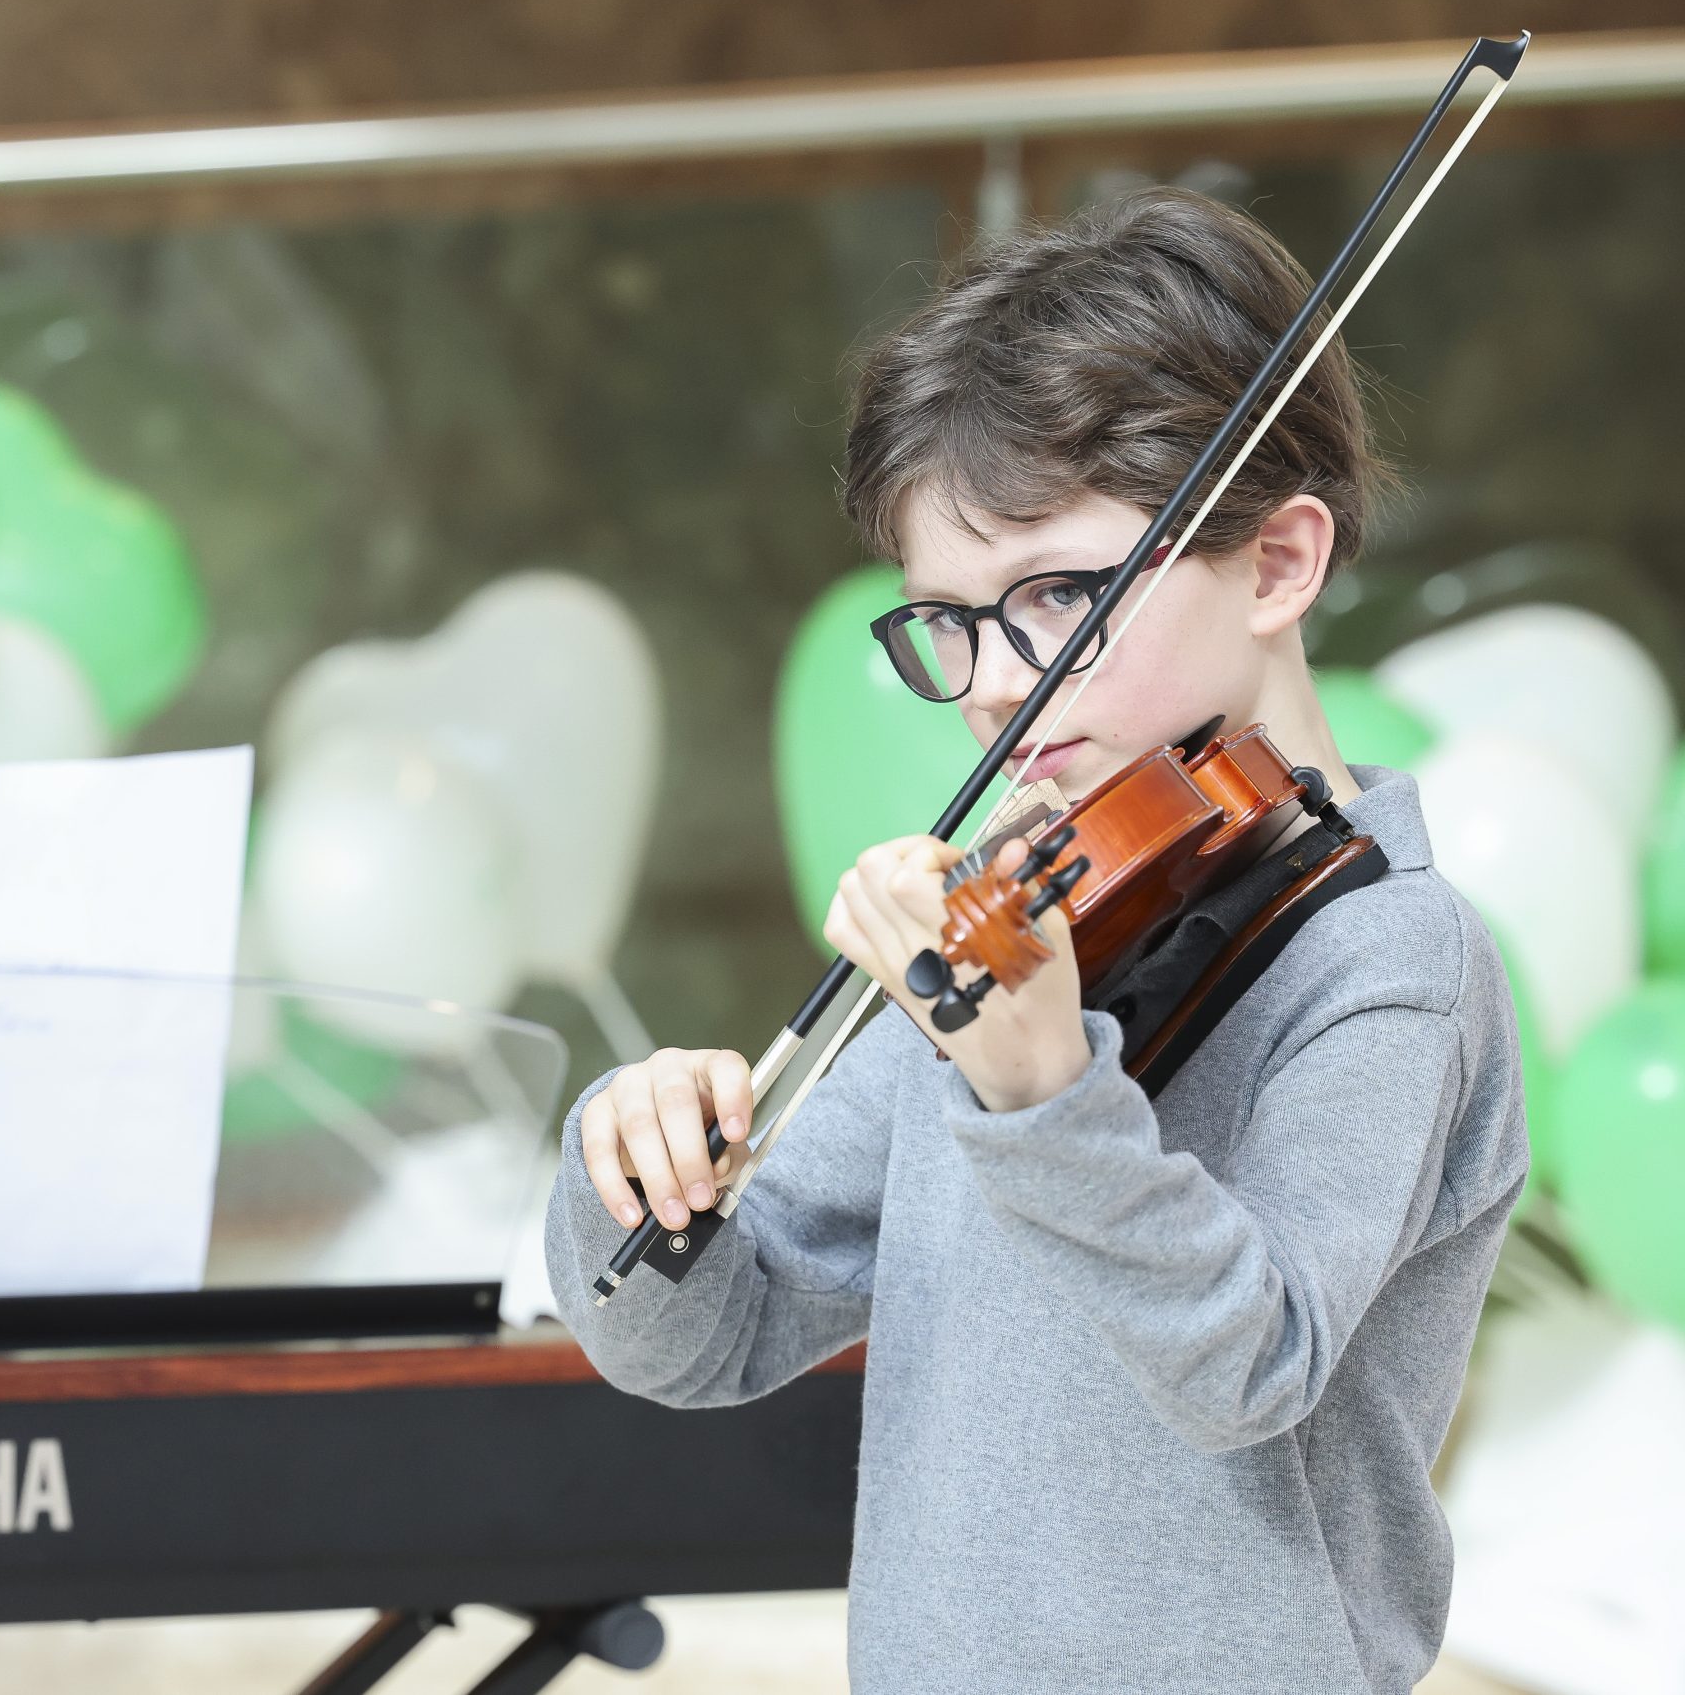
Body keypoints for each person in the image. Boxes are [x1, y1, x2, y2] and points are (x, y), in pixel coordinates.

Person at [546, 188, 1526, 1695]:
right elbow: (704, 1342)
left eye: (1064, 596)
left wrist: (1046, 1090)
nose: (998, 681)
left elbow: (1253, 1362)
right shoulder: (1020, 919)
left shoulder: (1391, 963)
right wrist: (634, 1165)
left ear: (1276, 563)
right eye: (947, 618)